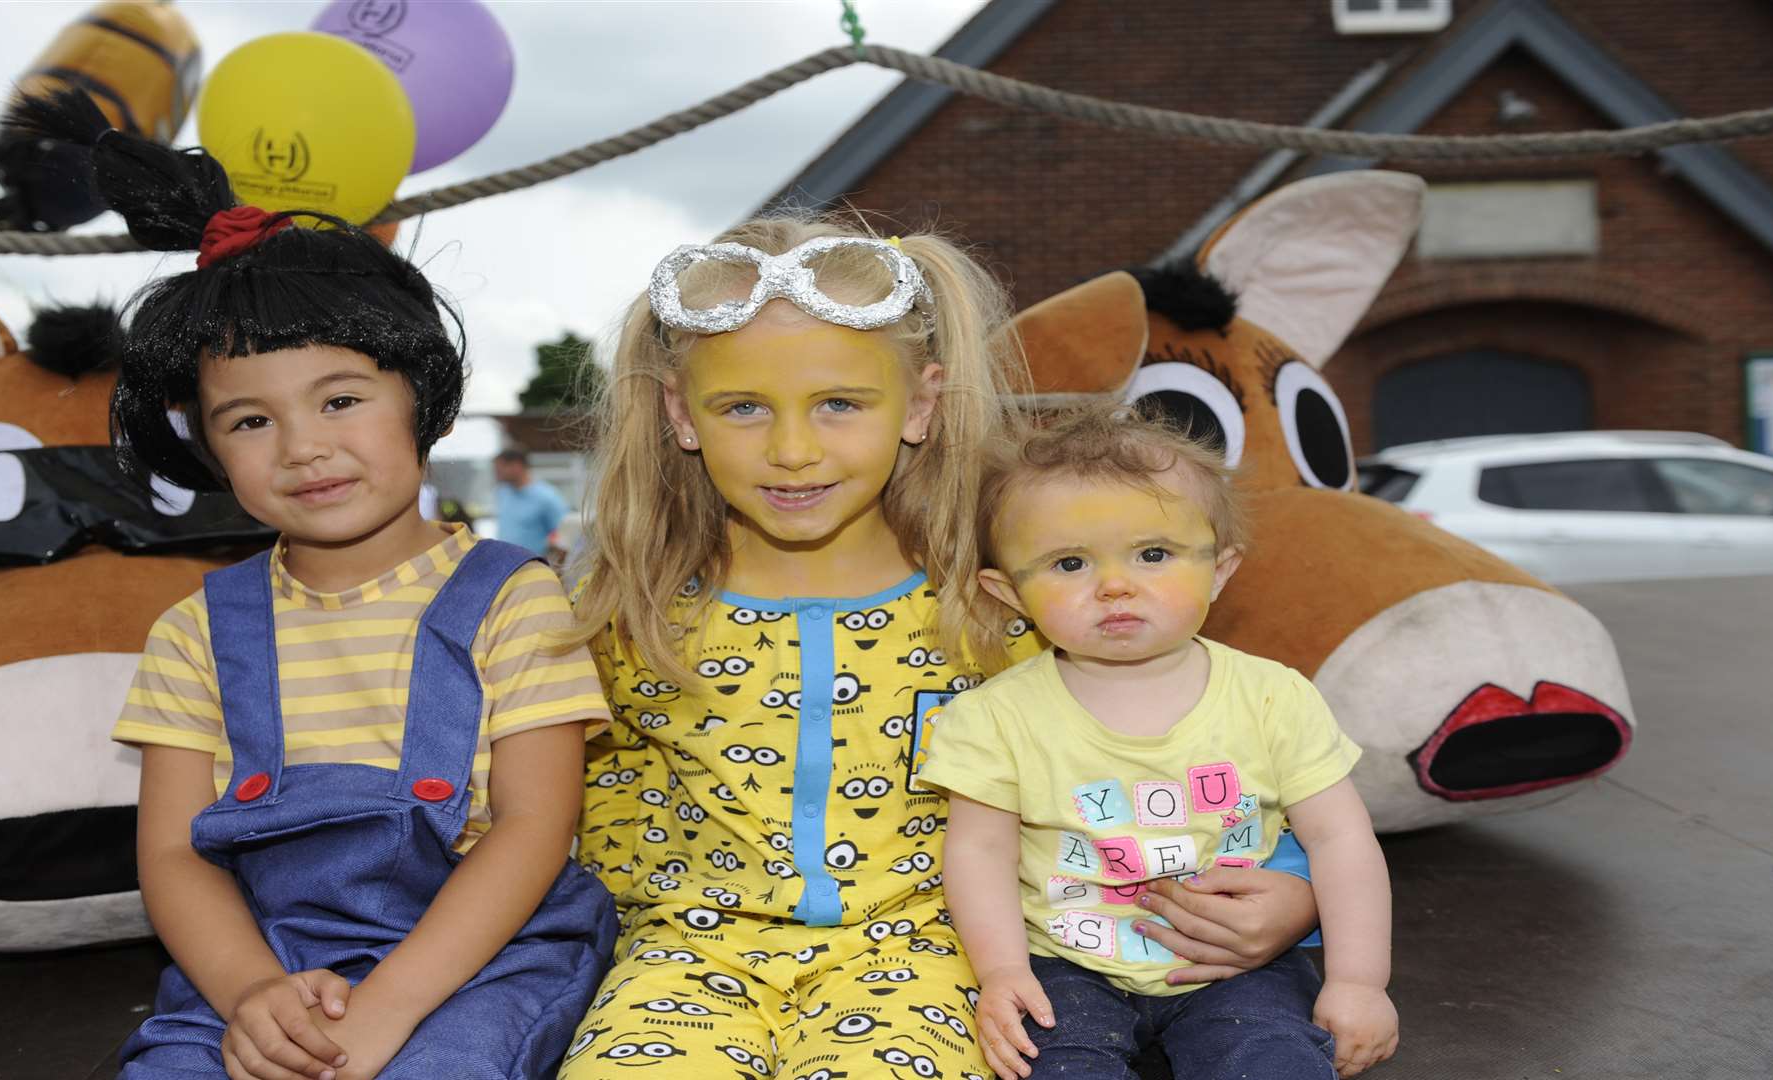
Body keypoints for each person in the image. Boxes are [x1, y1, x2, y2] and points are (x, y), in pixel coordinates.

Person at [553, 218, 1324, 1079]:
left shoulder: (1000, 607)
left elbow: (1189, 757)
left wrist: (1293, 891)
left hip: (926, 956)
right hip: (681, 960)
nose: (794, 450)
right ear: (678, 414)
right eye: (742, 407)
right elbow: (560, 803)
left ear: (920, 404)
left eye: (840, 402)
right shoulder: (628, 610)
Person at [10, 90, 618, 1080]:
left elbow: (535, 826)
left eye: (340, 399)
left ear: (421, 398)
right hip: (267, 956)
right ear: (205, 444)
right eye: (249, 421)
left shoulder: (512, 597)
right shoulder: (196, 631)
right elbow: (171, 856)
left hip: (481, 959)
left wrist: (386, 1011)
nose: (303, 448)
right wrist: (251, 995)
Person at [919, 407, 1398, 1080]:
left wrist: (1358, 982)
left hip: (1234, 966)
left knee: (1274, 1063)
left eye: (1153, 554)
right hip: (1064, 967)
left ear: (1220, 570)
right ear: (1010, 593)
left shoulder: (1272, 697)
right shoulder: (996, 717)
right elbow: (978, 850)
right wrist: (1001, 972)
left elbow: (1341, 841)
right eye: (1069, 562)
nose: (1114, 585)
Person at [492, 448, 570, 553]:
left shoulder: (547, 497)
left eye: (500, 468)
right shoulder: (503, 492)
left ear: (517, 466)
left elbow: (564, 535)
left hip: (534, 566)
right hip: (506, 564)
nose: (497, 473)